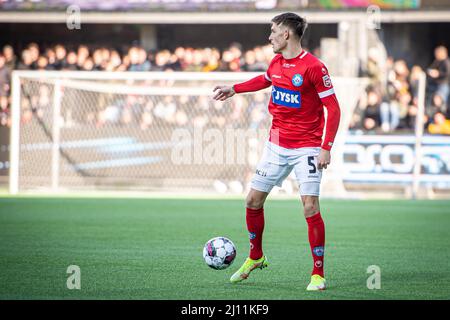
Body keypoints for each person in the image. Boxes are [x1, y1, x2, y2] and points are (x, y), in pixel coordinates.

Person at [213, 12, 341, 291]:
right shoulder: (276, 62)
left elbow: (334, 108)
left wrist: (325, 147)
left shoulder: (314, 68)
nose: (269, 36)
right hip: (276, 144)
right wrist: (233, 89)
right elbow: (265, 79)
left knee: (309, 206)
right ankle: (255, 257)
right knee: (252, 201)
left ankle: (318, 274)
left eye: (273, 31)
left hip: (306, 146)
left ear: (287, 35)